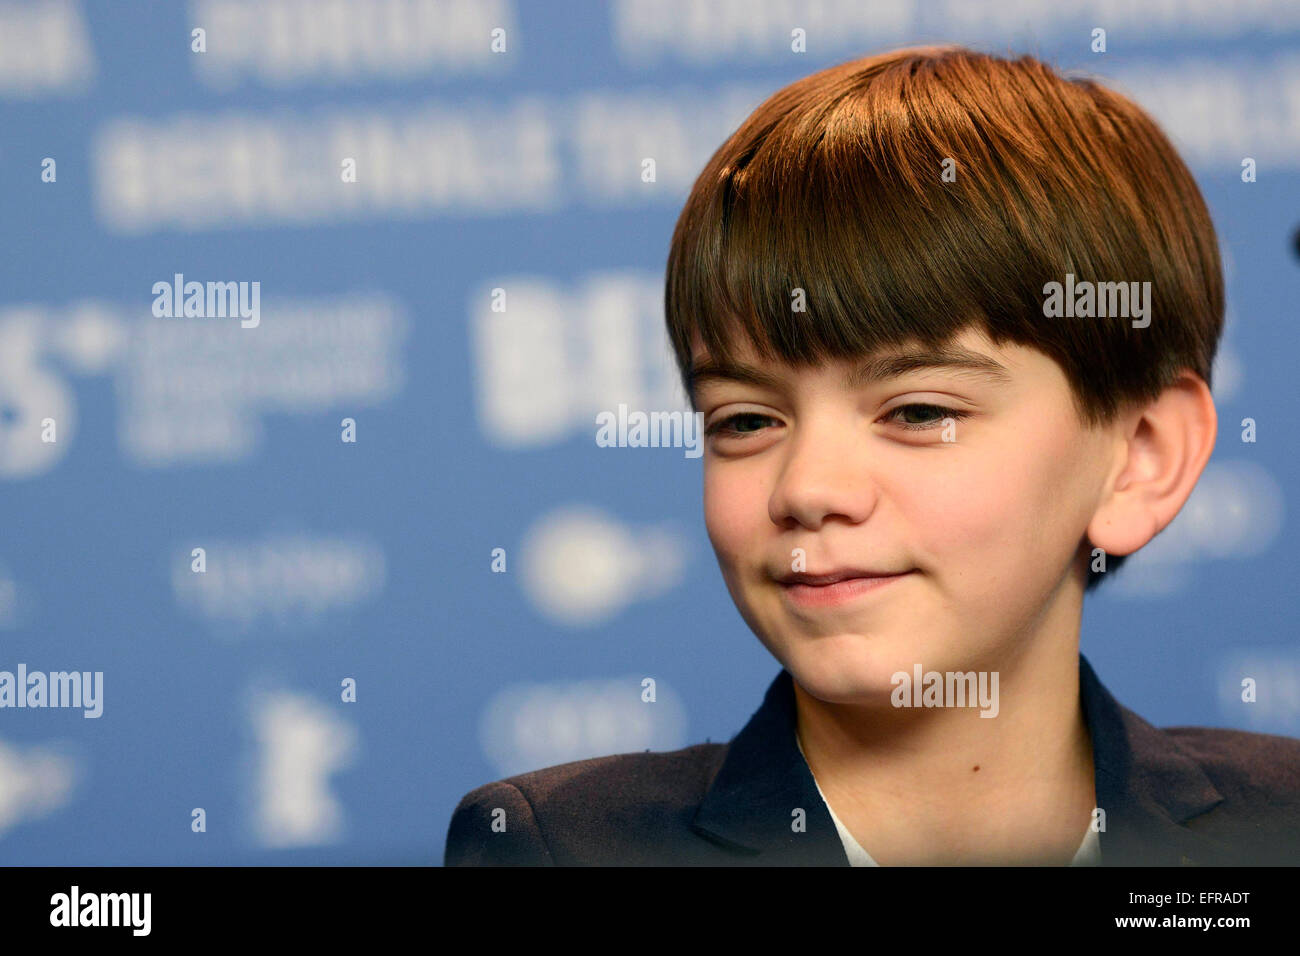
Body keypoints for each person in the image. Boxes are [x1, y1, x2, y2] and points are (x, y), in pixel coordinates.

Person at [445, 45, 1300, 866]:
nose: (809, 490)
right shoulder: (568, 848)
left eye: (919, 410)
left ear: (1140, 457)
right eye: (745, 421)